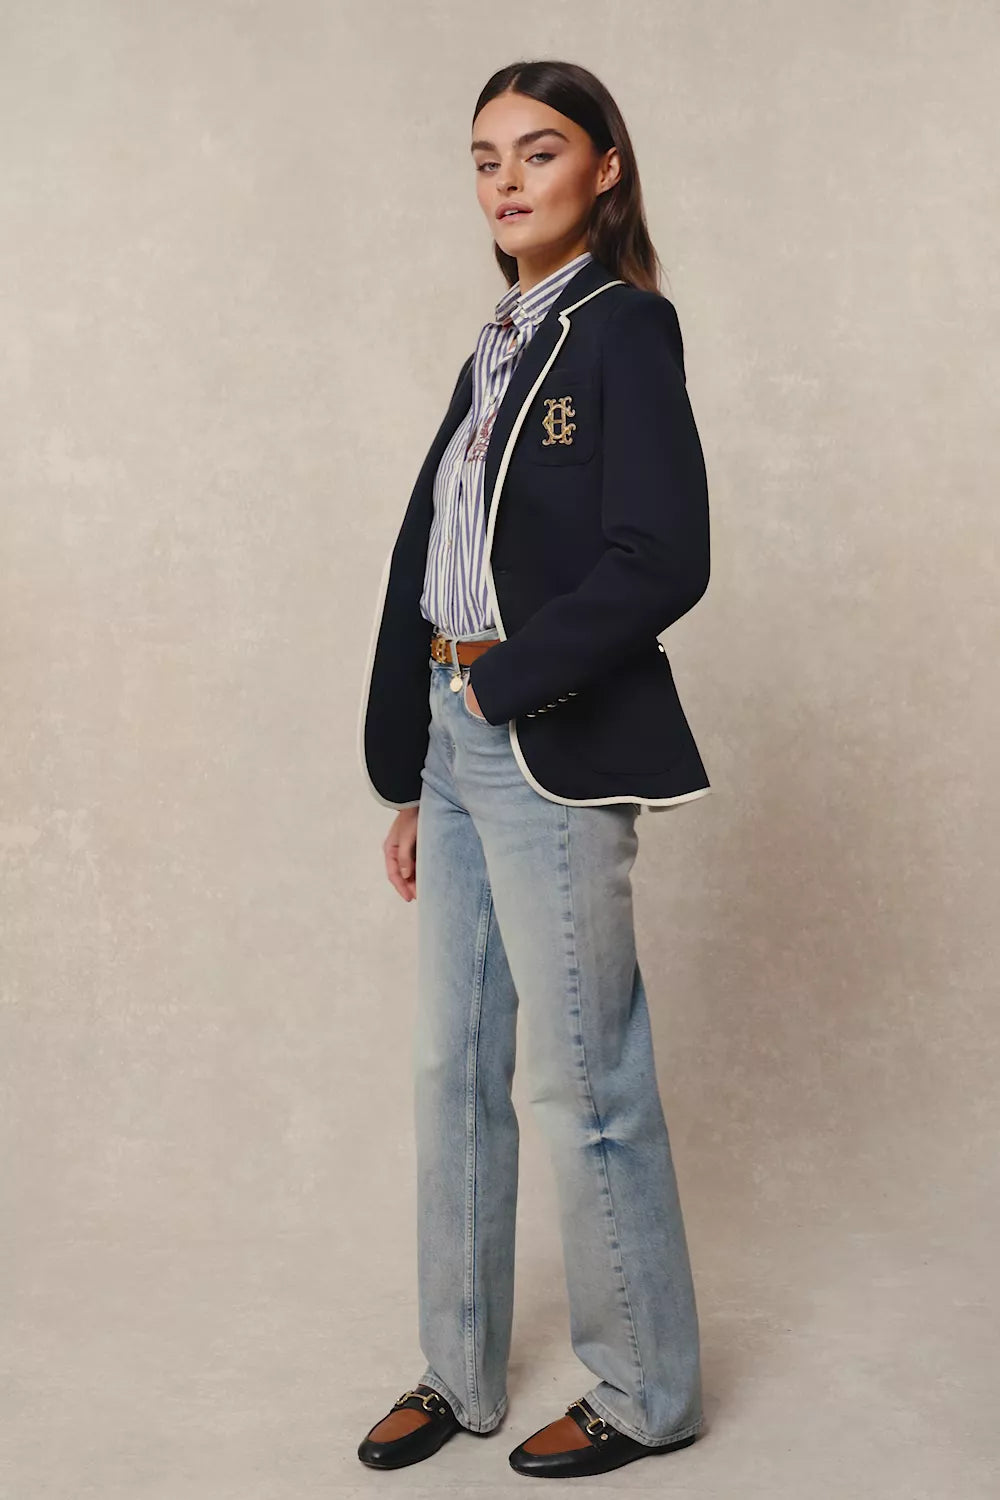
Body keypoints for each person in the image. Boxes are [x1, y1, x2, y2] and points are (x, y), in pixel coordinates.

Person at [356, 58, 711, 1480]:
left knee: (582, 1081)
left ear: (604, 169)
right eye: (486, 157)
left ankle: (646, 1393)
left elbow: (661, 557)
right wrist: (414, 764)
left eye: (540, 150)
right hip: (457, 743)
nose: (507, 179)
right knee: (453, 1068)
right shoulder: (496, 346)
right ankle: (458, 1372)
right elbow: (433, 560)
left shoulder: (624, 329)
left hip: (544, 740)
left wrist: (501, 689)